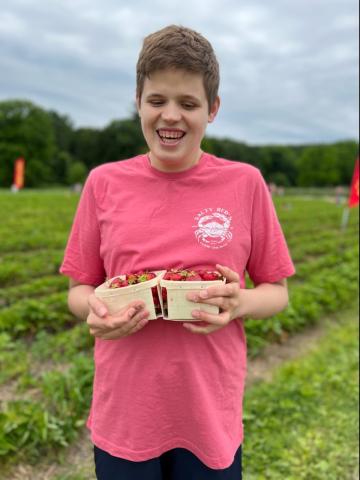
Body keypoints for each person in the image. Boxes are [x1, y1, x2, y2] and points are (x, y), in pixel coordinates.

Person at [60, 25, 295, 480]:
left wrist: (239, 302)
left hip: (209, 415)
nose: (171, 116)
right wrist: (91, 312)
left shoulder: (244, 183)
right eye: (157, 101)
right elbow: (79, 288)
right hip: (125, 414)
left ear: (213, 110)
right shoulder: (103, 183)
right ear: (138, 102)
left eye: (188, 104)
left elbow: (277, 290)